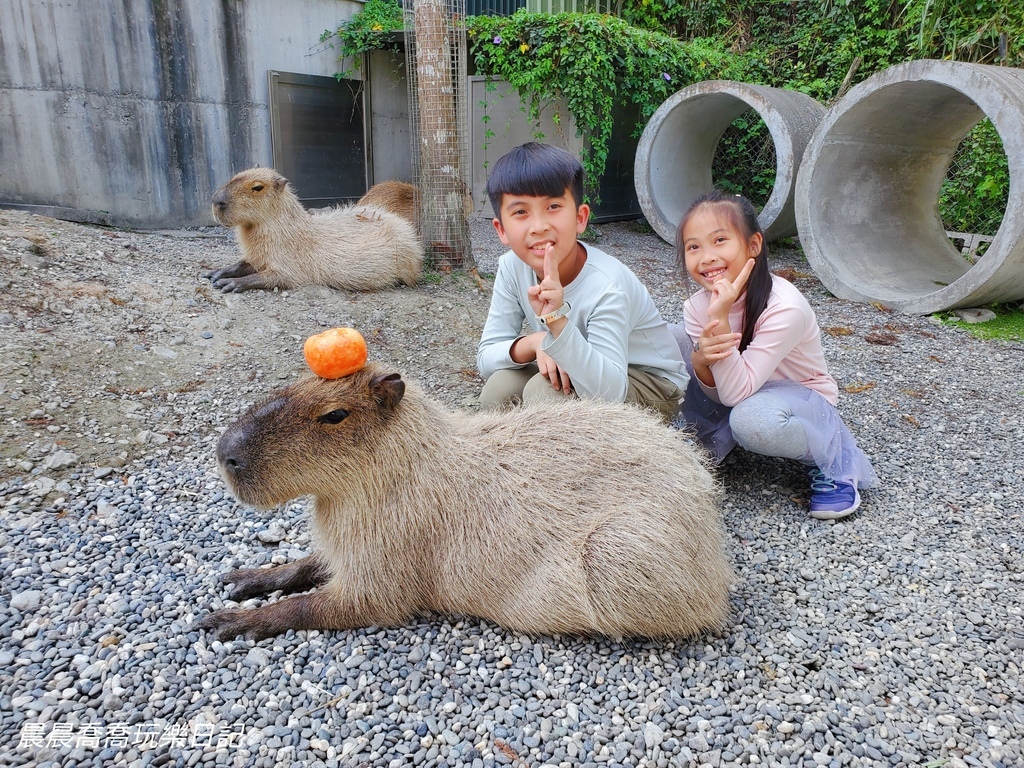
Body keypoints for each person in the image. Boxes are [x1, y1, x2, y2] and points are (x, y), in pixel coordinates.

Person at [674, 190, 876, 519]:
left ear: (753, 245)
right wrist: (700, 363)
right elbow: (721, 392)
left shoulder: (785, 307)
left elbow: (735, 393)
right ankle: (710, 438)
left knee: (752, 421)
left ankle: (828, 458)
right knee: (670, 338)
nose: (706, 257)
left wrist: (721, 321)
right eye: (693, 246)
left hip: (798, 399)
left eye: (720, 240)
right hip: (741, 392)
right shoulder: (697, 306)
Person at [476, 142, 689, 422]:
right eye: (520, 212)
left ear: (580, 218)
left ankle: (588, 464)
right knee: (500, 389)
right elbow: (486, 358)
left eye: (553, 206)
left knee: (546, 395)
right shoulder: (511, 266)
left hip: (649, 384)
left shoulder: (607, 285)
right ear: (501, 230)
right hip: (583, 364)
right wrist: (536, 342)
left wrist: (557, 323)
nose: (538, 225)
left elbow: (611, 391)